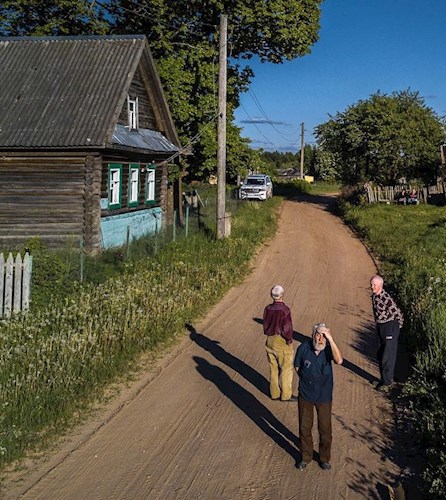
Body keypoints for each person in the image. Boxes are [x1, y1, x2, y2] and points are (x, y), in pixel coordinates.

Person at [294, 323, 343, 471]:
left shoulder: (328, 349)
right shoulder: (303, 347)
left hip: (324, 396)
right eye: (318, 334)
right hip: (305, 395)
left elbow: (339, 361)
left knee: (325, 429)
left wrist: (331, 340)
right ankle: (306, 457)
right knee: (304, 427)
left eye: (323, 336)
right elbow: (297, 366)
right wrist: (306, 380)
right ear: (312, 335)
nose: (320, 338)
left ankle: (324, 458)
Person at [263, 285, 297, 402]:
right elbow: (287, 328)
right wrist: (288, 339)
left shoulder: (268, 308)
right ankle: (286, 395)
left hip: (270, 339)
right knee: (286, 368)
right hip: (281, 340)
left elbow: (265, 324)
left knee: (273, 368)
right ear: (282, 295)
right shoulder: (285, 310)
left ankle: (274, 393)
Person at [370, 275, 404, 392]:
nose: (372, 287)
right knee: (380, 353)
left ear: (380, 285)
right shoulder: (375, 297)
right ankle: (383, 379)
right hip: (381, 326)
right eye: (371, 284)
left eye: (374, 285)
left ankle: (388, 382)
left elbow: (397, 312)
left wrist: (397, 326)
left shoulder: (386, 299)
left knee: (387, 356)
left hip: (390, 327)